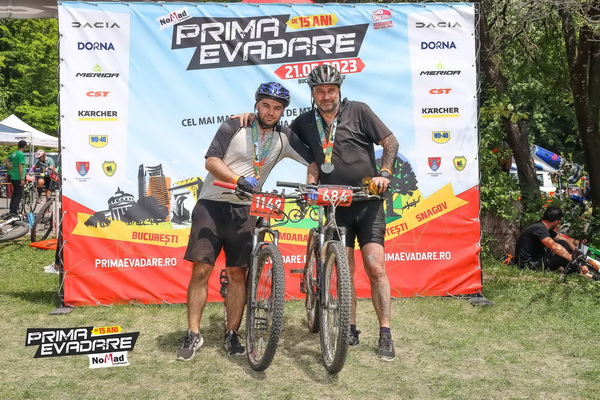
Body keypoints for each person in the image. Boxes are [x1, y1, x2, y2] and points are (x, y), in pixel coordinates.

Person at [237, 65, 399, 361]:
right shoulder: (303, 122)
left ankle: (385, 332)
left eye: (331, 90)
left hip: (367, 201)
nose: (326, 96)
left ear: (339, 91)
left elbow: (390, 142)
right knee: (343, 270)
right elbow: (276, 130)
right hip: (333, 205)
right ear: (312, 94)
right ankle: (349, 327)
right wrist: (251, 117)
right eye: (320, 91)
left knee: (376, 268)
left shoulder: (359, 111)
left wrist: (384, 174)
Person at [176, 82, 317, 361]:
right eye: (266, 105)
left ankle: (232, 333)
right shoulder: (235, 125)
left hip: (247, 210)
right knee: (201, 271)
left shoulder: (284, 137)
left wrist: (311, 185)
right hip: (212, 203)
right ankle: (193, 333)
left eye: (277, 108)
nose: (270, 112)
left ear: (283, 112)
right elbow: (211, 161)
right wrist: (237, 179)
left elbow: (314, 160)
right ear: (256, 104)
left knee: (238, 274)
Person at [515, 206, 599, 280]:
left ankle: (586, 269)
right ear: (556, 221)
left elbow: (564, 240)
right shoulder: (539, 229)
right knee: (560, 257)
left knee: (563, 244)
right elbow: (556, 248)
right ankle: (588, 275)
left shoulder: (544, 227)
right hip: (527, 265)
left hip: (537, 260)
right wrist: (575, 261)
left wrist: (579, 256)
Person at [4, 140, 28, 216]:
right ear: (24, 146)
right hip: (18, 177)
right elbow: (20, 166)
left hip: (13, 176)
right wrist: (22, 178)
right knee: (19, 194)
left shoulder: (15, 153)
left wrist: (11, 166)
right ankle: (14, 211)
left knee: (15, 193)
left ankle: (12, 210)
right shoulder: (21, 154)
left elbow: (6, 160)